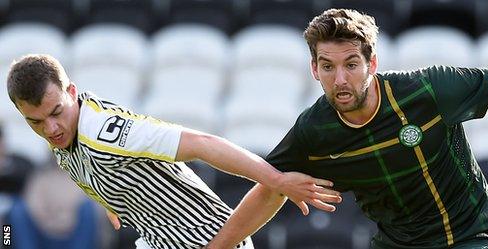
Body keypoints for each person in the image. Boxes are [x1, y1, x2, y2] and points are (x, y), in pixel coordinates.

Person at [206, 8, 488, 249]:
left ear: (372, 63)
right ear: (314, 69)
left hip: (471, 237)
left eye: (351, 64)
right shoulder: (315, 131)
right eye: (328, 67)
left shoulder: (428, 89)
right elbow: (271, 186)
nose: (341, 80)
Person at [5, 54, 342, 249]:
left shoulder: (107, 133)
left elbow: (202, 144)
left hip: (206, 239)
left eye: (55, 113)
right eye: (35, 122)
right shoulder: (65, 136)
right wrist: (112, 203)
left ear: (72, 92)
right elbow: (84, 166)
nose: (50, 129)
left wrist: (277, 180)